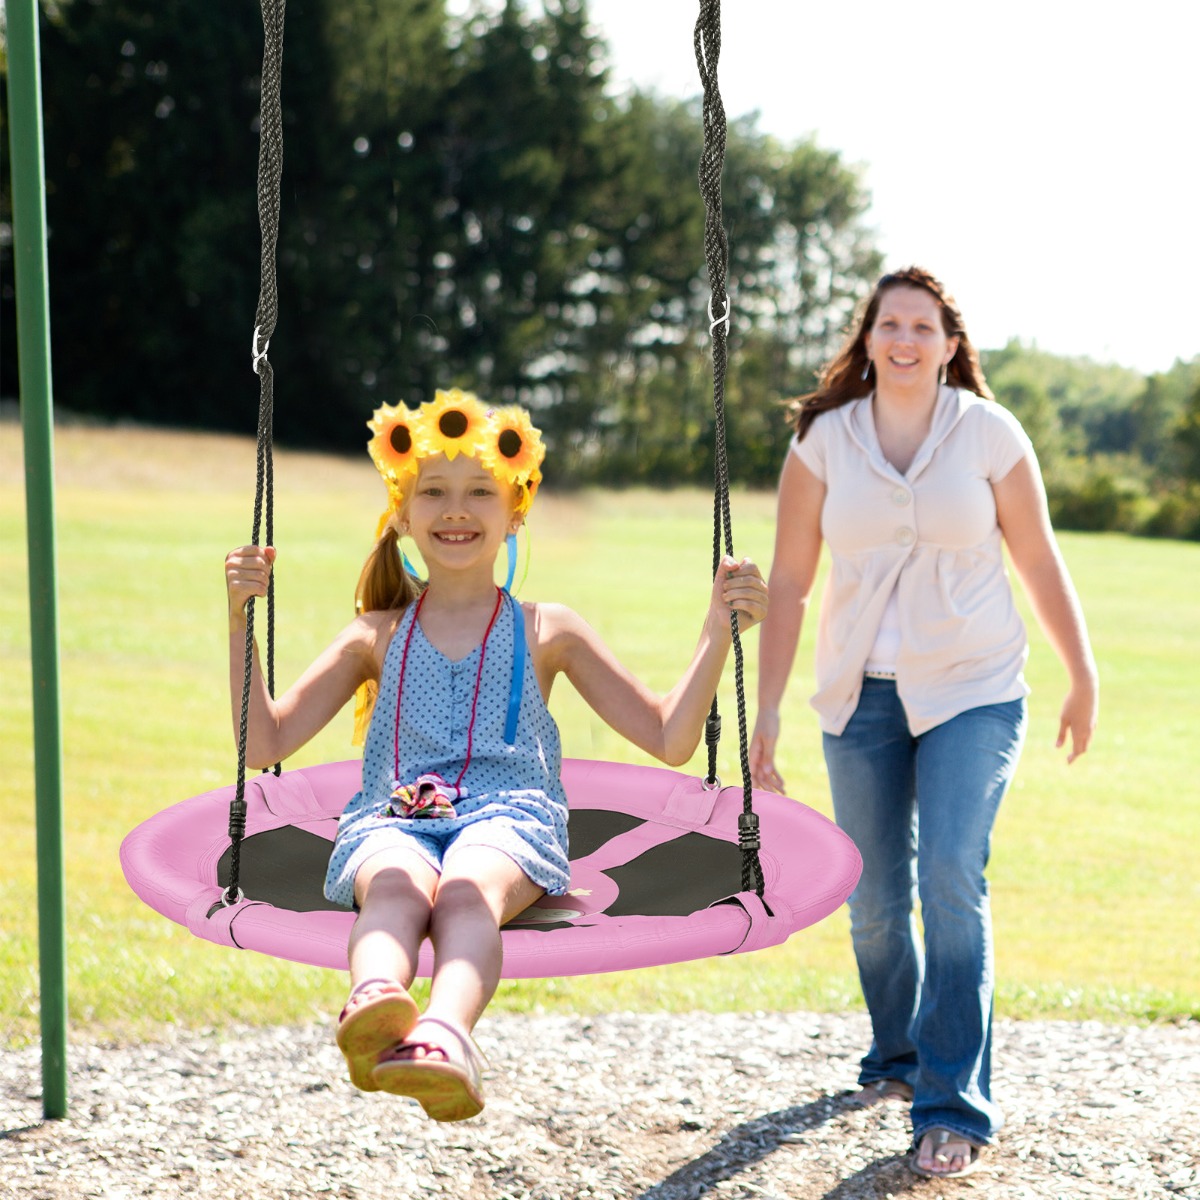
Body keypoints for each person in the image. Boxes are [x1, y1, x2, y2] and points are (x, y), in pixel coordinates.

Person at [226, 389, 768, 1123]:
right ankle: (375, 1004)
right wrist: (240, 622)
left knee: (463, 890)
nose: (457, 510)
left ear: (515, 511)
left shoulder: (548, 629)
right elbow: (265, 743)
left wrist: (718, 626)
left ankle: (446, 1035)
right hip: (393, 817)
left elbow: (672, 738)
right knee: (393, 887)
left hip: (509, 822)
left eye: (481, 491)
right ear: (403, 514)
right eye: (434, 493)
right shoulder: (374, 636)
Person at [749, 268, 1098, 1180]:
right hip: (858, 696)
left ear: (950, 344)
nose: (905, 338)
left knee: (950, 875)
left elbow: (1039, 559)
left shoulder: (989, 432)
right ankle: (897, 1059)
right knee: (872, 901)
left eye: (923, 325)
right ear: (867, 340)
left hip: (973, 689)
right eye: (889, 323)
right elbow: (787, 583)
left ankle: (954, 1105)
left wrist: (1082, 671)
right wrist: (769, 708)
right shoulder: (825, 441)